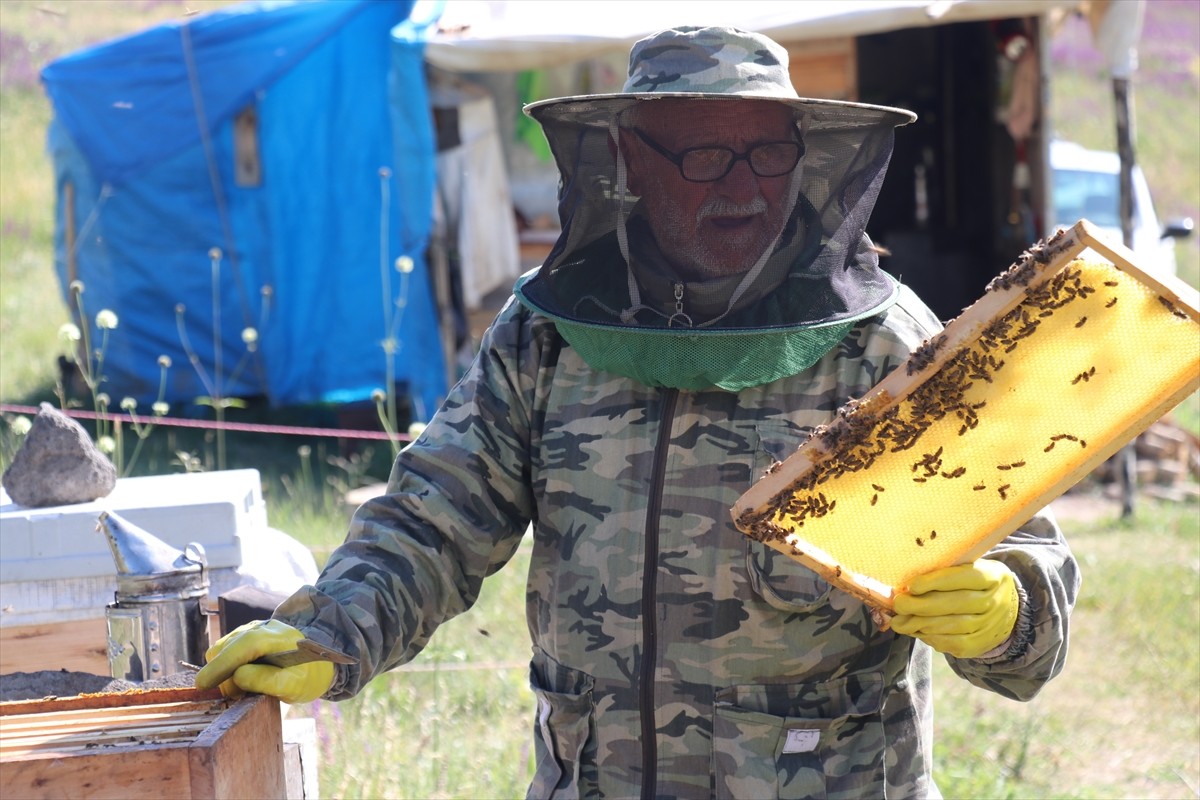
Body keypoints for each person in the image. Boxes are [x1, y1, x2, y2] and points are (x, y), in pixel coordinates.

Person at [197, 26, 1080, 799]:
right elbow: (437, 519)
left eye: (767, 154)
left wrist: (1010, 610)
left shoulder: (886, 342)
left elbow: (1018, 547)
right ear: (628, 164)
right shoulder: (544, 336)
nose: (743, 185)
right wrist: (331, 631)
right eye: (702, 155)